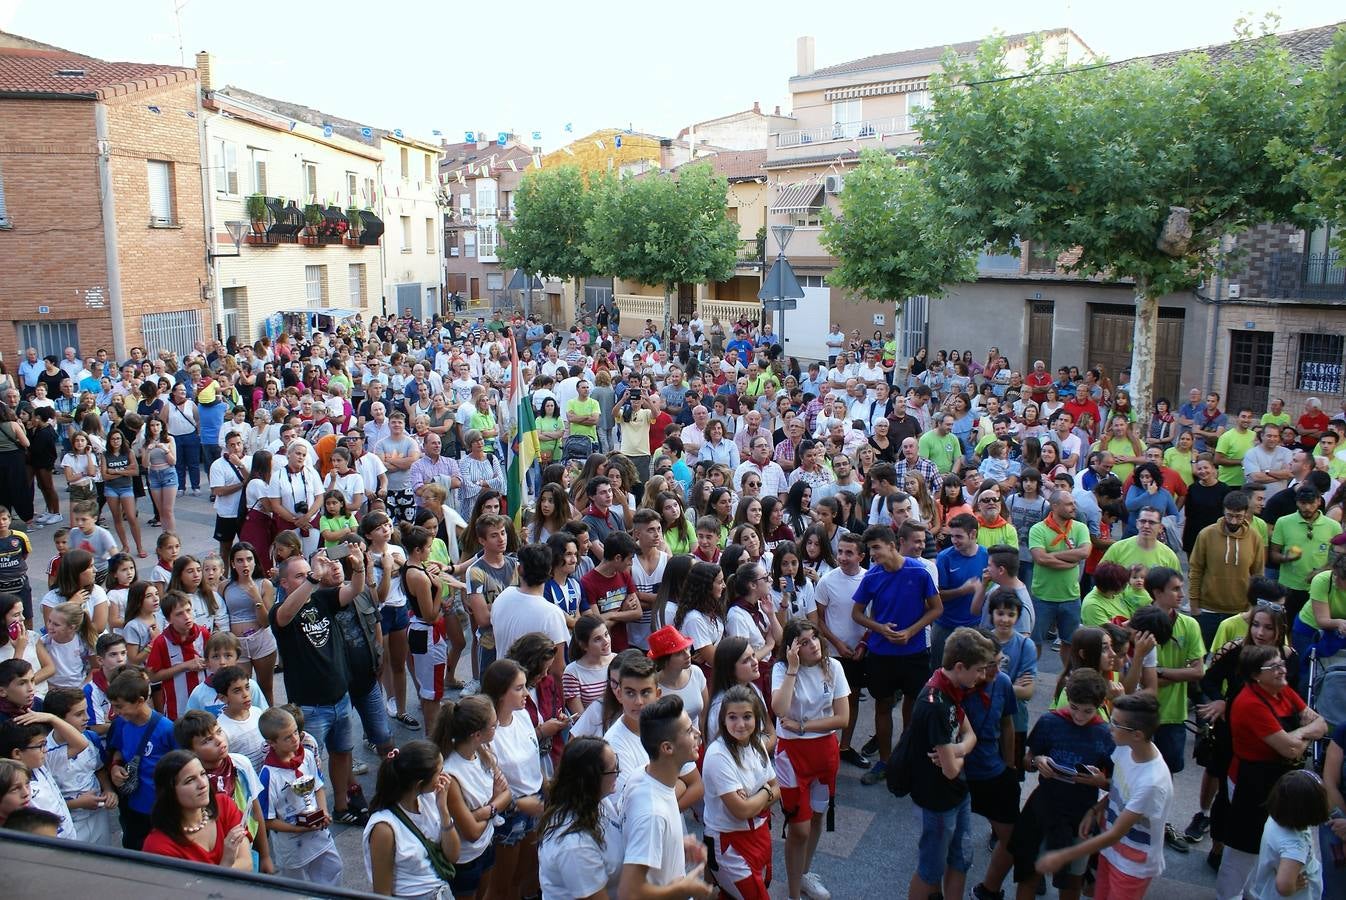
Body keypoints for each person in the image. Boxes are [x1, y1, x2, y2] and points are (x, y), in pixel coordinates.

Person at [1035, 692, 1174, 900]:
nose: (1110, 727)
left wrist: (1062, 856)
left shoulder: (1152, 782)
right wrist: (1096, 809)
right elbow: (1120, 790)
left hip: (1133, 864)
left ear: (1137, 734)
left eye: (1116, 724)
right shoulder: (1125, 748)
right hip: (1111, 851)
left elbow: (1115, 833)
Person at [1215, 644, 1326, 898]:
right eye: (1273, 667)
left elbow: (1320, 724)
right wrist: (1300, 739)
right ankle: (1229, 895)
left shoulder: (1282, 690)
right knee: (1243, 847)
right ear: (1256, 675)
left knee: (1267, 841)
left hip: (1277, 778)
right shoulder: (1250, 703)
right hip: (1252, 782)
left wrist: (1297, 736)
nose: (1281, 670)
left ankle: (1256, 890)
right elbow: (1290, 750)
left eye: (1281, 664)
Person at [899, 627, 996, 900]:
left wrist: (955, 750)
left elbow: (970, 736)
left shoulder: (950, 685)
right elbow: (951, 770)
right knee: (930, 871)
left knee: (961, 858)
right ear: (960, 666)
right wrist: (959, 755)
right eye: (978, 670)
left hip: (957, 793)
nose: (981, 677)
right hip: (937, 798)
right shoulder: (936, 703)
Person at [269, 552, 364, 825]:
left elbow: (355, 589)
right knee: (307, 762)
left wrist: (358, 567)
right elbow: (285, 616)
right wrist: (312, 579)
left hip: (340, 698)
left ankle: (342, 806)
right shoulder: (279, 611)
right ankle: (310, 811)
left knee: (343, 752)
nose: (307, 579)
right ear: (284, 583)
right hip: (310, 707)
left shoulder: (322, 599)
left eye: (307, 574)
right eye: (298, 576)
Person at [852, 523, 940, 786]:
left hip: (914, 652)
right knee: (883, 705)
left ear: (892, 545)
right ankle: (886, 762)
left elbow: (936, 609)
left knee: (912, 706)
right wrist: (879, 628)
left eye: (876, 548)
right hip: (881, 653)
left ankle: (908, 758)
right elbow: (856, 613)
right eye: (869, 550)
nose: (872, 555)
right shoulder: (872, 577)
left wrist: (910, 632)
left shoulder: (919, 572)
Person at [771, 617, 848, 900]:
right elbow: (779, 709)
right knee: (799, 828)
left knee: (816, 817)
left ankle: (803, 875)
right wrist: (792, 668)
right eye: (803, 642)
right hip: (792, 755)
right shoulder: (781, 669)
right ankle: (793, 892)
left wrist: (805, 725)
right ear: (792, 649)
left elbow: (842, 718)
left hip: (825, 752)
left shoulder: (834, 666)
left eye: (814, 637)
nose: (813, 644)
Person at [616, 694, 714, 899]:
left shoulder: (641, 775)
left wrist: (674, 843)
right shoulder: (653, 814)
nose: (697, 733)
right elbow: (629, 892)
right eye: (688, 731)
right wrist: (683, 889)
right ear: (667, 748)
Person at [702, 683, 778, 900]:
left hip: (760, 834)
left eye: (747, 716)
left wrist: (756, 797)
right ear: (723, 720)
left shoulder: (757, 744)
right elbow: (741, 810)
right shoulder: (718, 754)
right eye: (733, 717)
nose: (741, 724)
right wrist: (765, 791)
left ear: (756, 718)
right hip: (729, 843)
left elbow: (778, 787)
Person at [362, 738, 461, 898]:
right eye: (440, 771)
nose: (445, 775)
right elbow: (381, 893)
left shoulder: (430, 798)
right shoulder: (384, 829)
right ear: (419, 783)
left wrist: (444, 811)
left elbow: (454, 855)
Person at [257, 705, 343, 884]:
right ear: (271, 743)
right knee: (299, 888)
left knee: (334, 870)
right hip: (292, 847)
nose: (295, 739)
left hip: (319, 835)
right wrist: (298, 828)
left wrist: (323, 811)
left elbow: (318, 787)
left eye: (296, 732)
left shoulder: (307, 755)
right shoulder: (268, 775)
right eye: (287, 737)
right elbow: (266, 819)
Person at [537, 736, 624, 899]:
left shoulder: (599, 801)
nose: (619, 773)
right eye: (613, 770)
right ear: (591, 780)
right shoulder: (574, 845)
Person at [141, 749, 252, 870]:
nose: (202, 784)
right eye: (190, 780)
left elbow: (247, 864)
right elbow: (188, 889)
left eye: (203, 774)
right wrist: (226, 864)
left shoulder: (224, 805)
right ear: (169, 792)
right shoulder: (158, 846)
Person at [104, 669, 176, 849]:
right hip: (132, 806)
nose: (115, 712)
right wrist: (115, 766)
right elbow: (118, 750)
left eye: (120, 706)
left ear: (140, 701)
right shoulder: (120, 724)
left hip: (161, 807)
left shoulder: (167, 729)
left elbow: (182, 765)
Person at [1188, 491, 1266, 650]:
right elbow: (1195, 570)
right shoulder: (1206, 534)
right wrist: (1194, 605)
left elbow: (1258, 576)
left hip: (1241, 611)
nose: (1233, 520)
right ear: (1223, 511)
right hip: (1208, 610)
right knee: (1201, 657)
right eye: (1229, 515)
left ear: (1246, 513)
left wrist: (1254, 609)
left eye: (1238, 516)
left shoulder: (1255, 537)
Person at [1028, 490, 1091, 661]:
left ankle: (1067, 679)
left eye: (1073, 503)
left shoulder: (1080, 527)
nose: (1074, 507)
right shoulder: (1038, 529)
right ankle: (1030, 677)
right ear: (1055, 506)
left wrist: (1052, 555)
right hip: (1042, 598)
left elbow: (1085, 552)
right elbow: (1040, 558)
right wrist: (1070, 563)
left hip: (1071, 598)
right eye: (1069, 504)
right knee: (1034, 643)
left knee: (1070, 643)